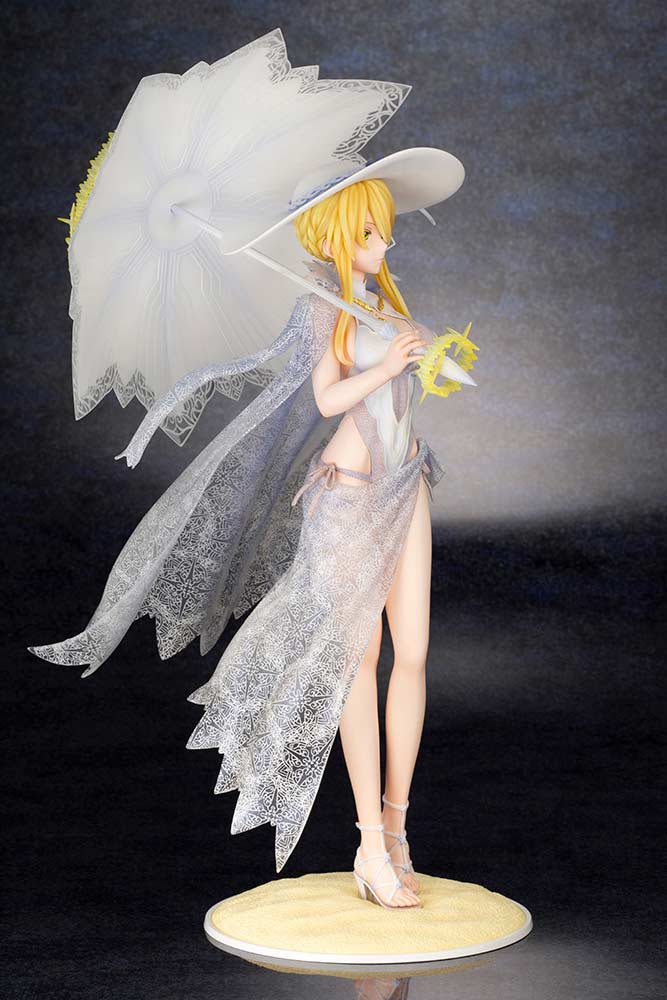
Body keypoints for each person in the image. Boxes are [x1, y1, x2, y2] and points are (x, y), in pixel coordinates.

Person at [29, 28, 471, 910]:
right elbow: (329, 397)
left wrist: (427, 361)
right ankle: (369, 844)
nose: (382, 243)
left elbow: (402, 391)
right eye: (368, 231)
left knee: (415, 655)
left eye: (384, 230)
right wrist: (386, 366)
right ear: (337, 235)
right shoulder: (320, 308)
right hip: (349, 496)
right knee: (356, 657)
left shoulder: (380, 304)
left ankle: (399, 824)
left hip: (406, 485)